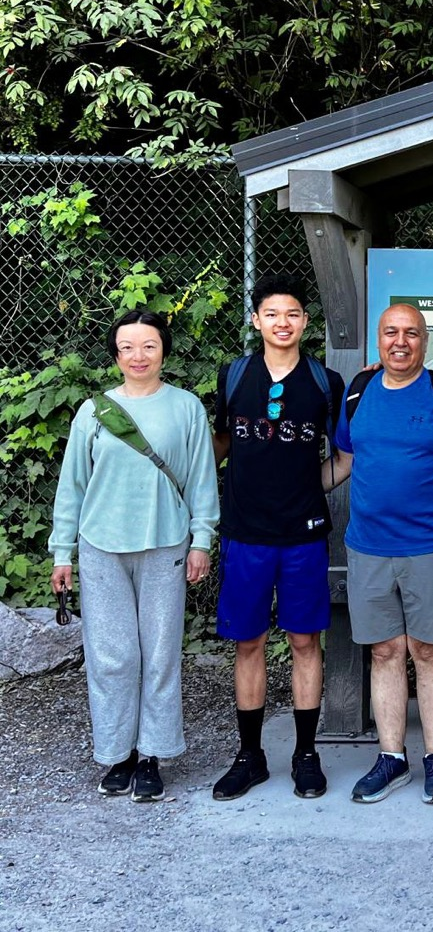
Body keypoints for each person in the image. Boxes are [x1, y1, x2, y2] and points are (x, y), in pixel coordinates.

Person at [49, 310, 219, 802]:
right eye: (127, 347)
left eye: (148, 346)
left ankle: (152, 756)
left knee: (160, 654)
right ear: (115, 354)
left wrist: (201, 540)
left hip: (166, 541)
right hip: (101, 545)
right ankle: (117, 753)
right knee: (112, 657)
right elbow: (72, 487)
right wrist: (62, 552)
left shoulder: (186, 408)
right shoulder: (93, 412)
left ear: (164, 350)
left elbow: (202, 479)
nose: (138, 356)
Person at [324, 303, 433, 804]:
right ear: (379, 339)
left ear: (425, 341)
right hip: (368, 547)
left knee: (430, 652)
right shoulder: (358, 392)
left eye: (411, 333)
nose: (400, 341)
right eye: (391, 332)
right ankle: (392, 758)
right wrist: (287, 494)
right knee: (384, 651)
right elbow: (345, 460)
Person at [209, 274, 345, 802]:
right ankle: (251, 756)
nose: (282, 323)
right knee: (249, 642)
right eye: (272, 314)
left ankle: (306, 754)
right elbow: (219, 443)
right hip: (245, 532)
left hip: (302, 535)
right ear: (256, 320)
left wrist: (309, 489)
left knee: (305, 641)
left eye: (292, 314)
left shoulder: (324, 381)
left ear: (305, 321)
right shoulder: (234, 375)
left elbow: (345, 456)